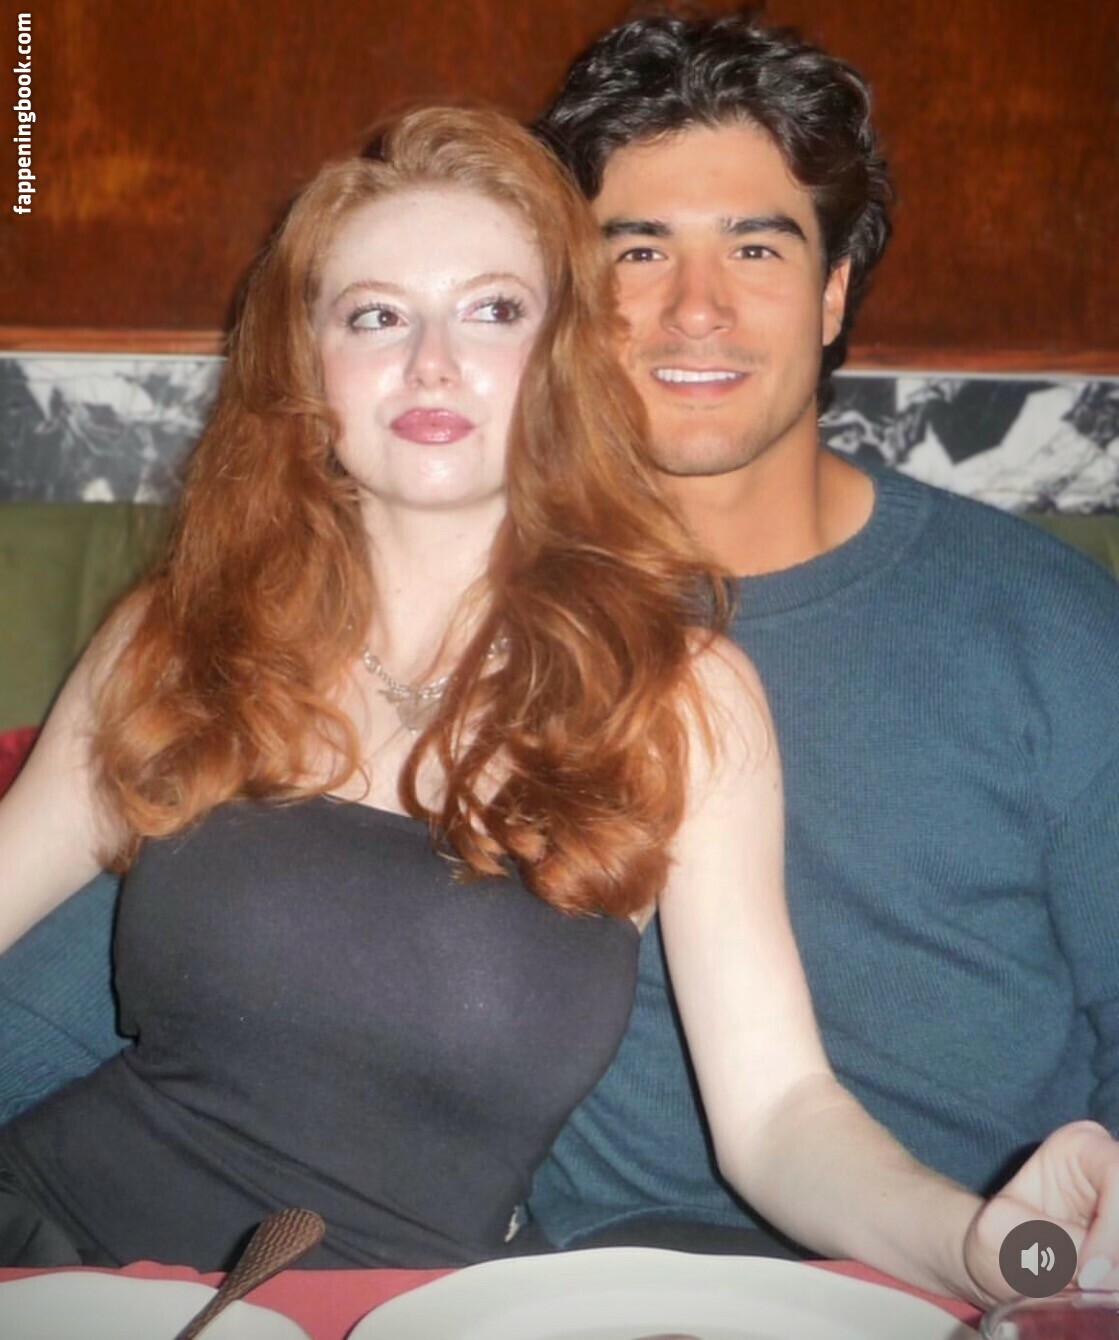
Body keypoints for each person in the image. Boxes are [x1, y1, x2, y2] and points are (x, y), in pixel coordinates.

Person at [3, 20, 1119, 1300]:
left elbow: (780, 1112)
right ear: (307, 371)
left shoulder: (693, 689)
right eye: (377, 315)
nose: (432, 360)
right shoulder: (191, 628)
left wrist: (1004, 1248)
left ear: (562, 361)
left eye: (492, 310)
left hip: (441, 1304)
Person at [520, 10, 1119, 1281]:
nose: (695, 308)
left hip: (1001, 1279)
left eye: (756, 246)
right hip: (609, 1284)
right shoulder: (491, 623)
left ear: (834, 290)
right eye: (639, 250)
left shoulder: (1049, 627)